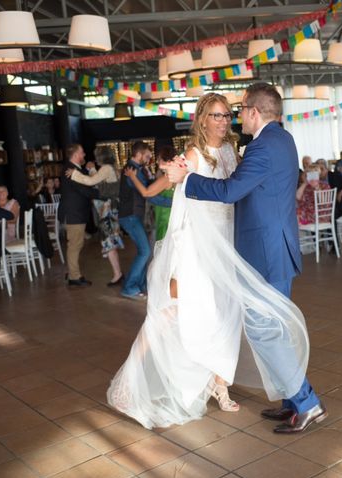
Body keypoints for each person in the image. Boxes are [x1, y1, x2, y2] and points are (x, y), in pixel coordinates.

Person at [107, 91, 311, 431]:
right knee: (172, 312)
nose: (223, 120)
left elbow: (239, 189)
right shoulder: (192, 154)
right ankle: (130, 382)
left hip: (229, 244)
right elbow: (163, 187)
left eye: (227, 114)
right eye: (215, 115)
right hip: (199, 245)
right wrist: (176, 176)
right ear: (202, 119)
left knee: (226, 315)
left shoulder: (234, 151)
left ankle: (220, 384)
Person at [163, 84, 325, 434]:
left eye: (238, 112)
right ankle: (292, 402)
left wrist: (186, 179)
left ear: (253, 111)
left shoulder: (261, 147)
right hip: (275, 246)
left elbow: (230, 191)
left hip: (264, 252)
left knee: (263, 330)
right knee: (275, 328)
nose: (236, 119)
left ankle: (307, 402)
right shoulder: (283, 139)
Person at [66, 146, 124, 287]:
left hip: (108, 212)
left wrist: (74, 174)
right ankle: (118, 273)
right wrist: (92, 170)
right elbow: (100, 184)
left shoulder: (106, 168)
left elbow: (92, 182)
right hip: (110, 211)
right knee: (110, 241)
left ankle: (117, 274)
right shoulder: (110, 168)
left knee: (109, 242)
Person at [117, 142, 158, 300]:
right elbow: (145, 189)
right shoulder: (131, 169)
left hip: (134, 215)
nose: (148, 159)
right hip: (130, 216)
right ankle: (129, 287)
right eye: (147, 156)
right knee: (145, 251)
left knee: (144, 251)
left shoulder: (137, 169)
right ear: (139, 154)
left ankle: (140, 285)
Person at [58, 144, 99, 287]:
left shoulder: (75, 169)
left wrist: (87, 170)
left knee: (76, 244)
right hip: (73, 213)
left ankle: (72, 273)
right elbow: (85, 190)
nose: (84, 155)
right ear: (75, 154)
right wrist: (104, 194)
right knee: (75, 245)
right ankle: (74, 277)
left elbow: (84, 184)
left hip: (75, 213)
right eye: (82, 152)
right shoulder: (70, 170)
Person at [124, 145, 175, 248]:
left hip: (165, 218)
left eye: (159, 159)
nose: (156, 162)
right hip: (170, 216)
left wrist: (133, 177)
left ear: (167, 160)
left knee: (163, 249)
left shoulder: (167, 177)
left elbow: (146, 193)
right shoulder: (175, 175)